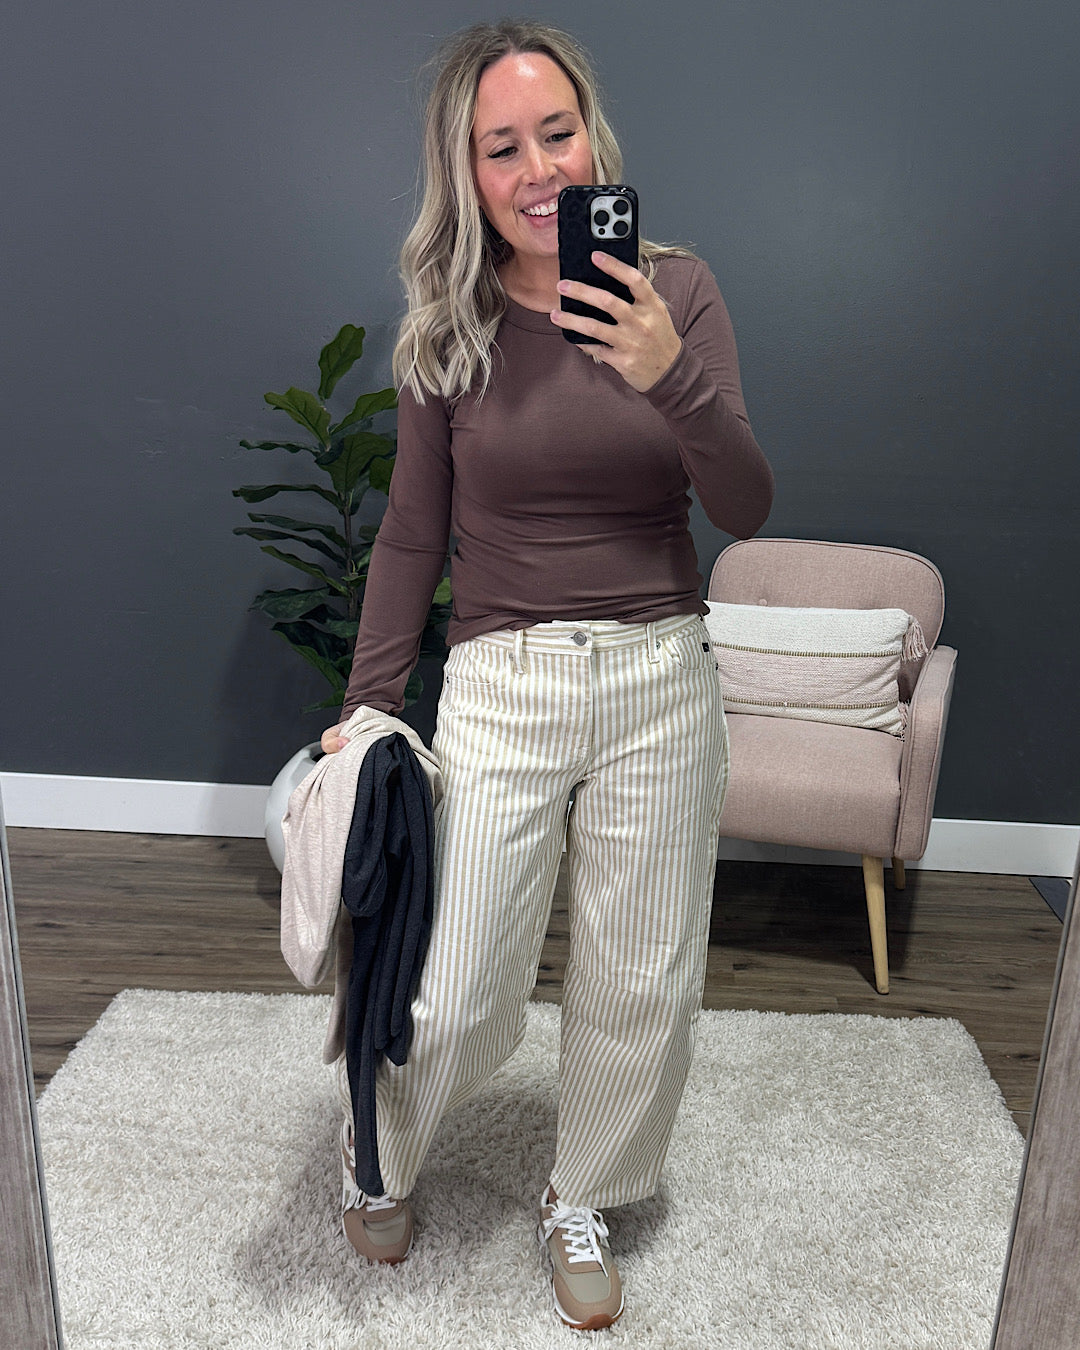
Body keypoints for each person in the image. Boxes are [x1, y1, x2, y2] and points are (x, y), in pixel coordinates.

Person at [321, 19, 774, 1331]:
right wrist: (368, 704)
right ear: (464, 172)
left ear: (594, 139)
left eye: (558, 133)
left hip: (658, 678)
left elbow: (746, 505)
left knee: (641, 974)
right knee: (459, 982)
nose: (539, 171)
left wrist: (671, 379)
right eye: (502, 147)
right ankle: (378, 1142)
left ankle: (586, 1189)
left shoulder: (677, 290)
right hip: (503, 684)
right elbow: (413, 535)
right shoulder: (447, 330)